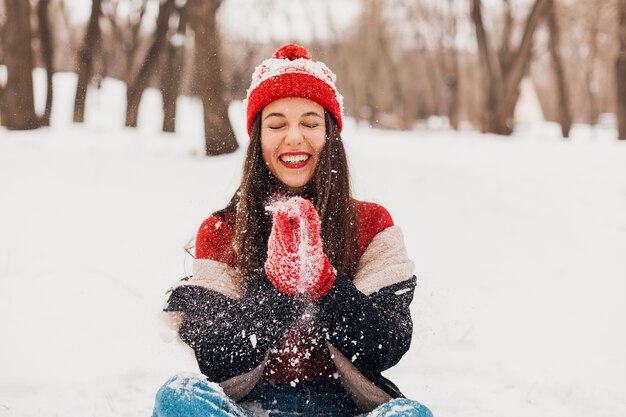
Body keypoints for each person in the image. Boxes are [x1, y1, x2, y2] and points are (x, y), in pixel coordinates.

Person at [153, 43, 433, 417]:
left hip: (347, 408)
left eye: (310, 123)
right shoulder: (223, 231)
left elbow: (386, 344)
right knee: (178, 395)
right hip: (251, 408)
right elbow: (217, 357)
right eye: (277, 124)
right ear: (258, 140)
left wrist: (325, 285)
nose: (294, 138)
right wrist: (277, 288)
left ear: (330, 135)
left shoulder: (372, 225)